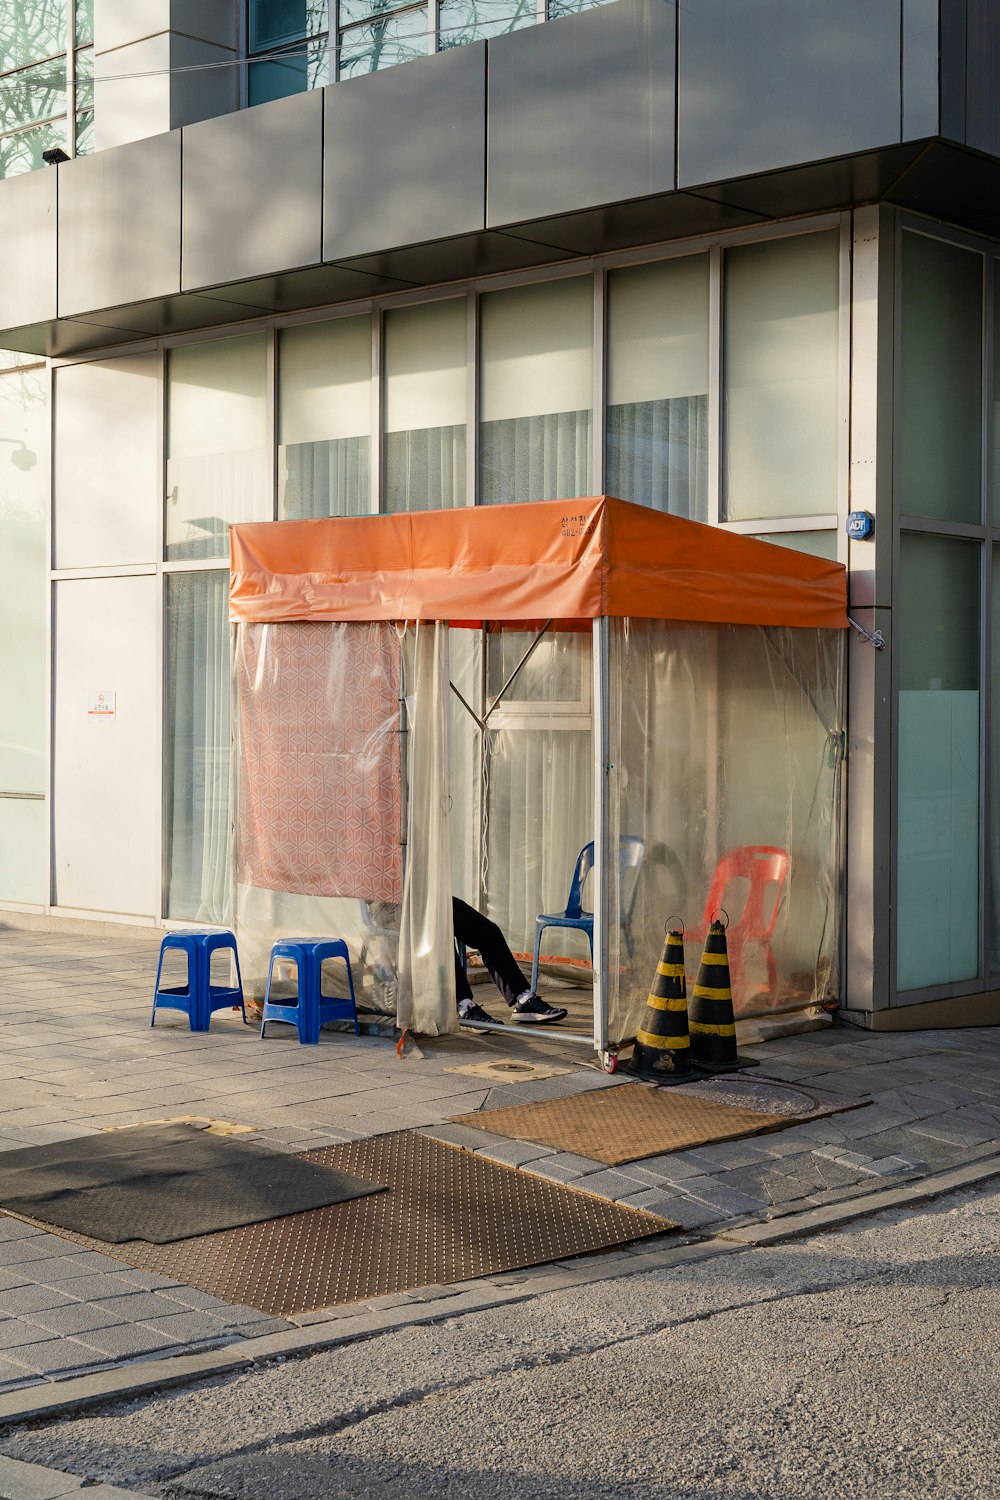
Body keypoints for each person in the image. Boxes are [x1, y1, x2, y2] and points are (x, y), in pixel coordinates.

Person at [453, 897, 567, 1027]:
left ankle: (522, 997)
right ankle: (464, 1006)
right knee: (441, 936)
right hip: (425, 909)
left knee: (489, 932)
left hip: (437, 897)